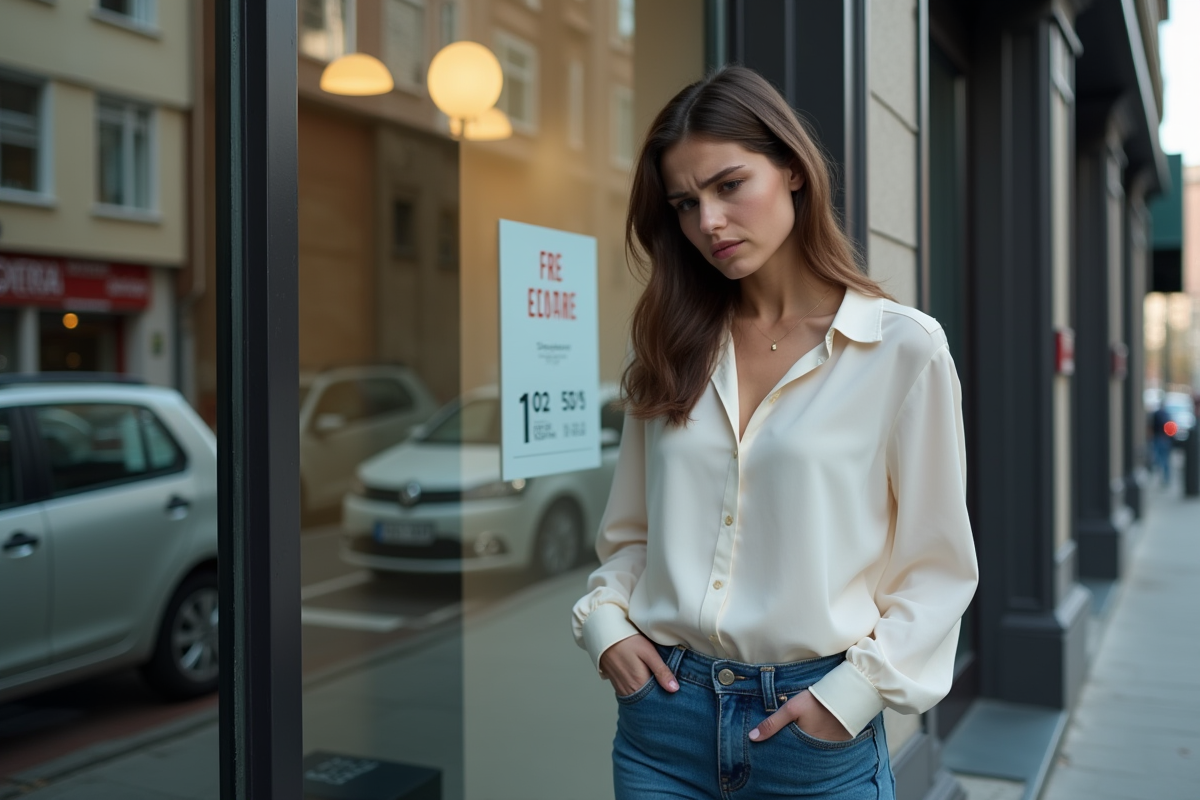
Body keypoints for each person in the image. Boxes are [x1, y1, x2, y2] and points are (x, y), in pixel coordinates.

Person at [571, 66, 979, 799]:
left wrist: (846, 700)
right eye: (686, 203)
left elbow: (937, 568)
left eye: (730, 185)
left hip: (810, 730)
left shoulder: (901, 350)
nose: (710, 223)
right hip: (661, 725)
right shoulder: (670, 345)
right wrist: (607, 628)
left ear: (792, 169)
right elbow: (631, 532)